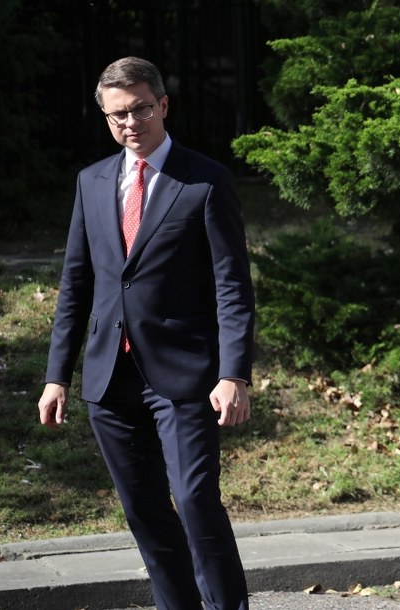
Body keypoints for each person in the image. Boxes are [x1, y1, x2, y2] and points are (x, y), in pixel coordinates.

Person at [38, 56, 255, 610]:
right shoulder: (91, 182)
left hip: (184, 377)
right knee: (143, 510)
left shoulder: (205, 181)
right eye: (117, 116)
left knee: (195, 499)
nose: (130, 123)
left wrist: (233, 372)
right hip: (110, 378)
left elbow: (232, 287)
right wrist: (56, 375)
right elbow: (76, 283)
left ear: (162, 104)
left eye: (139, 109)